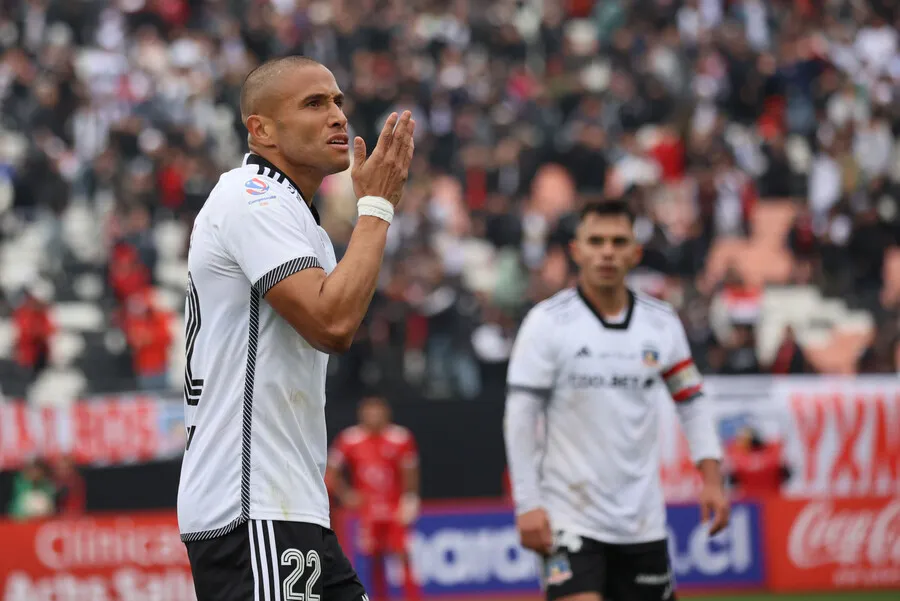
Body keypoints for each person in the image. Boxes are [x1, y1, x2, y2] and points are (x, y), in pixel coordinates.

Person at [176, 55, 415, 601]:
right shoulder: (250, 195)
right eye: (314, 103)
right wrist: (376, 206)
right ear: (260, 128)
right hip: (252, 502)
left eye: (337, 102)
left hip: (284, 501)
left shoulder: (293, 214)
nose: (337, 116)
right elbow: (332, 323)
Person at [503, 200, 730, 601]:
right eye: (596, 241)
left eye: (618, 241)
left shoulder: (661, 323)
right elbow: (520, 417)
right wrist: (527, 503)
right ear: (577, 251)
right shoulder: (547, 323)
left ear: (635, 252)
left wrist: (711, 479)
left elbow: (692, 402)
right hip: (569, 520)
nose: (607, 251)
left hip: (642, 523)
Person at [327, 396, 422, 601]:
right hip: (366, 510)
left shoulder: (401, 437)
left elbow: (410, 470)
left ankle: (413, 597)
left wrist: (410, 499)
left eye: (378, 411)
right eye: (369, 412)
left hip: (394, 507)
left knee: (403, 554)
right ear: (361, 414)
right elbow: (331, 471)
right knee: (370, 560)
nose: (374, 416)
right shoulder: (349, 438)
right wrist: (346, 494)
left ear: (387, 413)